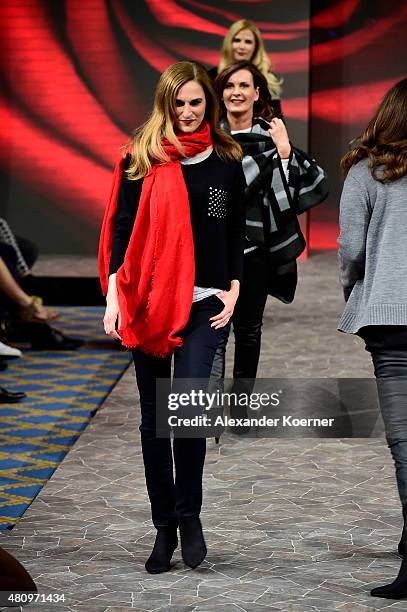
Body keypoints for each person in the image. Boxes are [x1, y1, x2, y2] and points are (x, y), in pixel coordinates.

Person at [99, 61, 244, 574]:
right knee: (154, 424)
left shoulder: (226, 160)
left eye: (196, 102)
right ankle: (164, 528)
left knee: (184, 414)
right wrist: (115, 296)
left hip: (204, 302)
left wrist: (235, 286)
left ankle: (190, 517)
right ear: (164, 104)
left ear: (209, 102)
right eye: (178, 103)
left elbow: (231, 232)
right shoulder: (141, 158)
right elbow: (122, 232)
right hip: (149, 303)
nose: (187, 112)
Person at [210, 61, 328, 430]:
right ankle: (208, 411)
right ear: (221, 93)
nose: (237, 92)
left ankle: (241, 410)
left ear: (258, 93)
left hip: (257, 248)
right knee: (212, 330)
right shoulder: (210, 137)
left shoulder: (270, 137)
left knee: (248, 329)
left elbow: (304, 189)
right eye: (230, 85)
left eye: (244, 85)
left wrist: (285, 152)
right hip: (214, 248)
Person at [338, 77, 407, 600]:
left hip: (390, 321)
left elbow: (351, 251)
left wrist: (356, 289)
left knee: (406, 443)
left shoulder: (366, 173)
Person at [208, 20, 283, 116]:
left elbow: (276, 117)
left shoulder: (269, 79)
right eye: (237, 40)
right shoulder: (213, 76)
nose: (242, 46)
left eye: (248, 42)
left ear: (256, 47)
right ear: (228, 43)